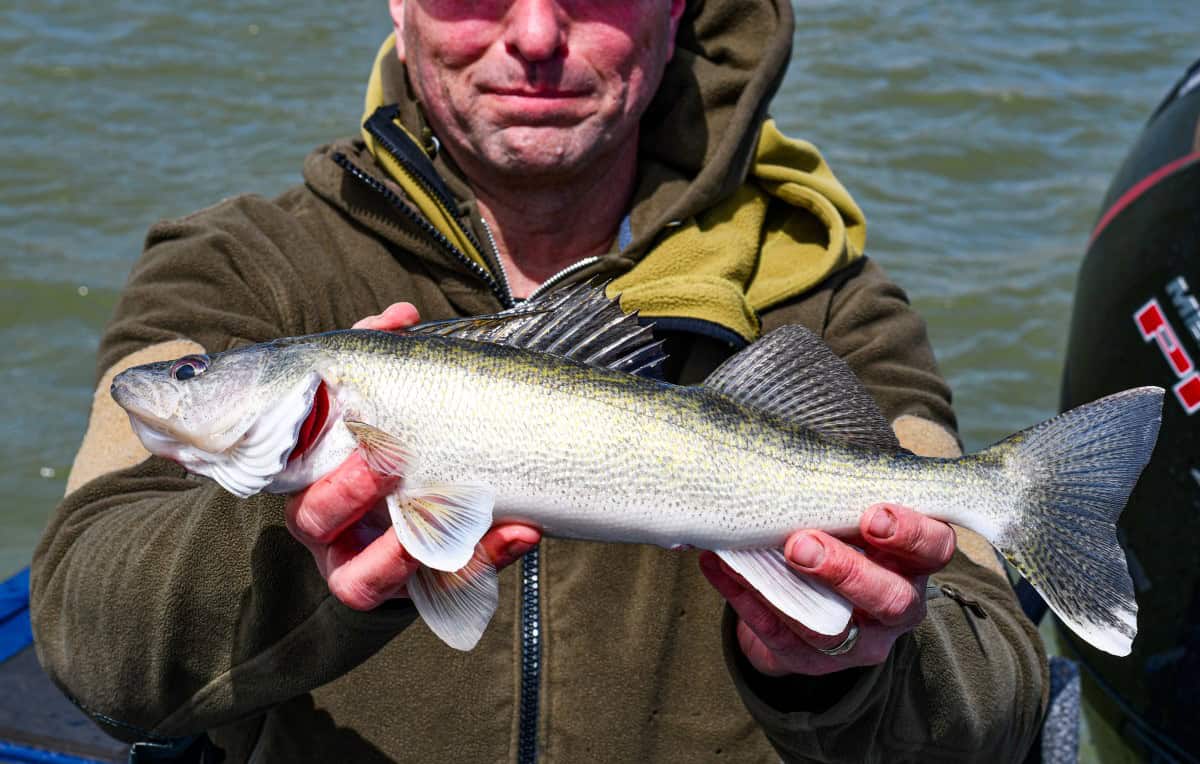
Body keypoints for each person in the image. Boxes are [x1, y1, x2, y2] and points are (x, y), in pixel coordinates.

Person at [31, 1, 1048, 761]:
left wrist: (850, 665)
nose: (531, 31)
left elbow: (999, 694)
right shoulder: (240, 267)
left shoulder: (830, 301)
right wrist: (317, 563)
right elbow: (90, 634)